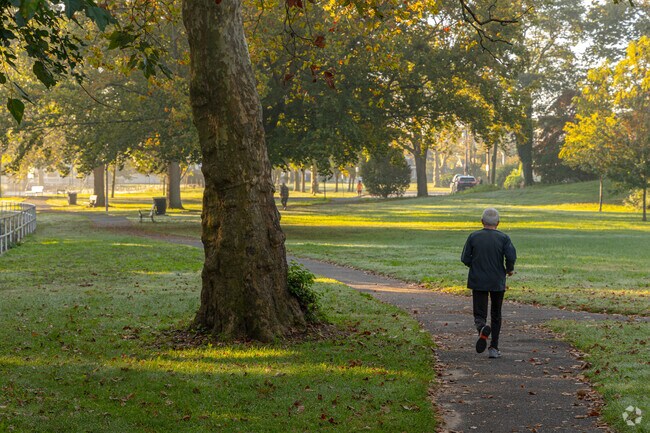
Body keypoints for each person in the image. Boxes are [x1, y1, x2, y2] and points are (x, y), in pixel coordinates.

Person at [461, 208, 516, 359]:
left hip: (478, 279)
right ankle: (494, 347)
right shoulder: (504, 238)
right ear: (498, 223)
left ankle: (482, 328)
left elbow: (465, 258)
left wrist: (475, 265)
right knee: (496, 313)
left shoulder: (473, 236)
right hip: (497, 280)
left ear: (481, 221)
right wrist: (509, 269)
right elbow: (510, 256)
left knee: (479, 313)